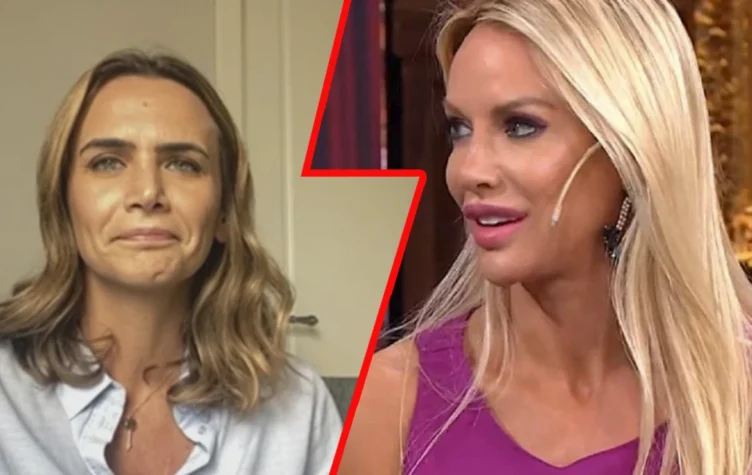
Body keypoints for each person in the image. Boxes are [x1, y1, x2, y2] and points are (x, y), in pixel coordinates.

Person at [339, 1, 752, 474]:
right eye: (460, 129)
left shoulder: (736, 395)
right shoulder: (391, 401)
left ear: (630, 148)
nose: (468, 171)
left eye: (520, 126)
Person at [0, 49, 342, 474]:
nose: (147, 193)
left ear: (224, 211)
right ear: (63, 202)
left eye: (183, 164)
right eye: (108, 162)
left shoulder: (299, 406)